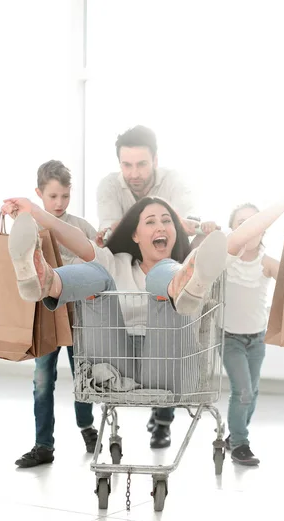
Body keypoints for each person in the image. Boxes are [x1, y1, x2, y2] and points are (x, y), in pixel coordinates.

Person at [1, 192, 284, 450]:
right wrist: (34, 213)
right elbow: (75, 239)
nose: (160, 226)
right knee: (96, 272)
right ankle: (44, 280)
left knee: (165, 274)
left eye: (166, 220)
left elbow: (239, 236)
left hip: (168, 367)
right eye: (150, 221)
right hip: (114, 367)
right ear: (135, 234)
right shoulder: (117, 262)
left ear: (176, 231)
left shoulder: (179, 262)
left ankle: (181, 286)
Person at [95, 124, 218, 441]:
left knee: (172, 321)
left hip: (170, 262)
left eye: (141, 164)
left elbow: (185, 228)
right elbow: (110, 236)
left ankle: (163, 418)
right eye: (126, 165)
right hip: (129, 266)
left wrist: (161, 222)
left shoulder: (175, 181)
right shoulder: (109, 186)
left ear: (156, 160)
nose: (133, 173)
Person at [15, 160, 99, 469]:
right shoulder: (31, 226)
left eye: (64, 196)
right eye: (52, 197)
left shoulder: (79, 226)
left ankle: (87, 427)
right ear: (39, 194)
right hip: (47, 317)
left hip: (79, 314)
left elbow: (97, 255)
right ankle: (43, 444)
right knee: (42, 379)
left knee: (84, 375)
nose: (59, 203)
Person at [220, 202, 281, 467]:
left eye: (253, 222)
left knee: (252, 393)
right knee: (242, 391)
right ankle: (240, 444)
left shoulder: (266, 263)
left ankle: (235, 435)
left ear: (262, 229)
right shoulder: (225, 261)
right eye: (240, 223)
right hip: (229, 338)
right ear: (232, 230)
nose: (247, 227)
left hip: (257, 339)